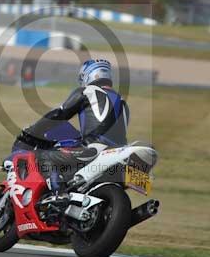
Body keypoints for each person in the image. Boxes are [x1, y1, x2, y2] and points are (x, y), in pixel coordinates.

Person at [19, 59, 129, 191]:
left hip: (95, 148)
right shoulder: (122, 102)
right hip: (119, 152)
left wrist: (32, 131)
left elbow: (59, 115)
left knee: (42, 156)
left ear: (89, 75)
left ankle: (58, 193)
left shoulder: (88, 91)